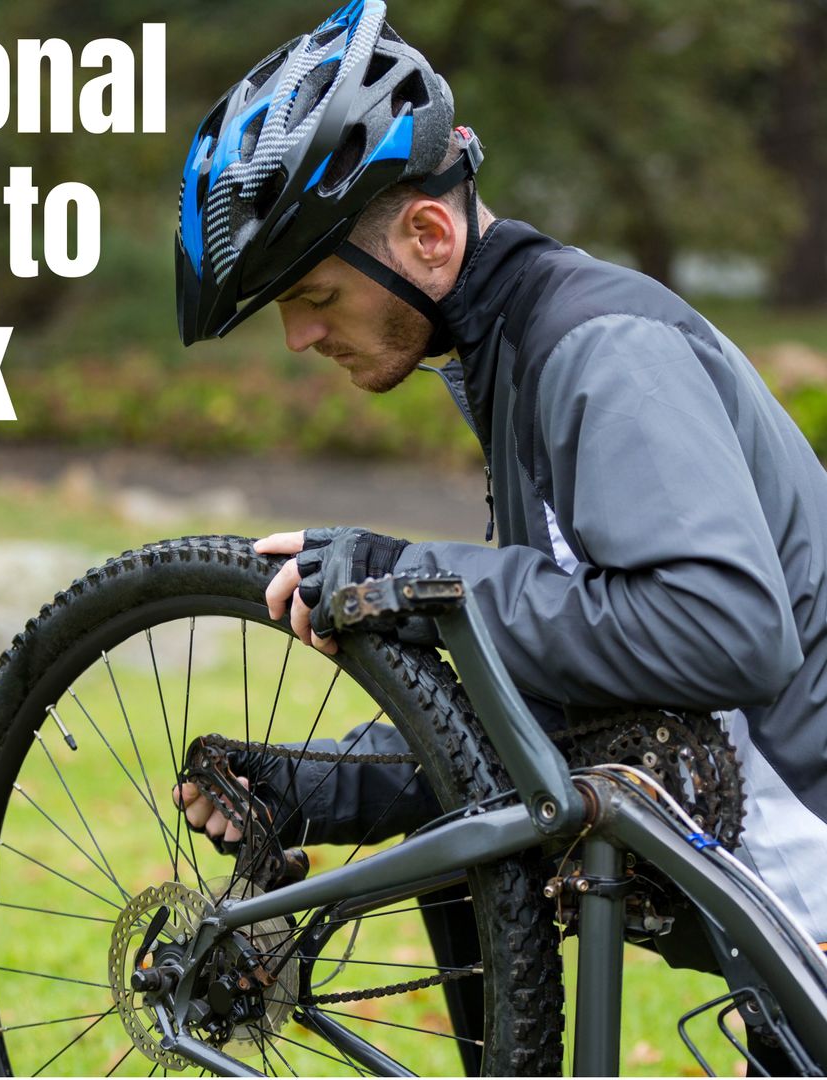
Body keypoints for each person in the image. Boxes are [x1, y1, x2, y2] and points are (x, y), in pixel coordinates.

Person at [172, 0, 827, 1027]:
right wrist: (325, 786)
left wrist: (411, 580)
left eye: (314, 296)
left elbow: (724, 633)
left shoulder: (598, 351)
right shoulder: (520, 354)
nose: (298, 339)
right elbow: (591, 688)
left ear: (428, 235)